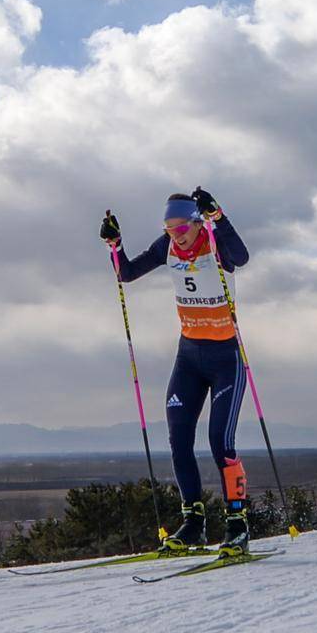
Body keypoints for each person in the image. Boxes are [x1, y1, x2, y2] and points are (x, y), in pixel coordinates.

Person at [100, 188, 256, 552]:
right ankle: (194, 523)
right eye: (169, 227)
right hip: (188, 355)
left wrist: (219, 217)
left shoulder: (215, 242)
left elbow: (242, 257)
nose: (176, 233)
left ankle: (237, 523)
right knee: (179, 436)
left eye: (181, 226)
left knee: (221, 443)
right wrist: (115, 244)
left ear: (196, 222)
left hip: (225, 357)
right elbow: (126, 273)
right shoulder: (166, 246)